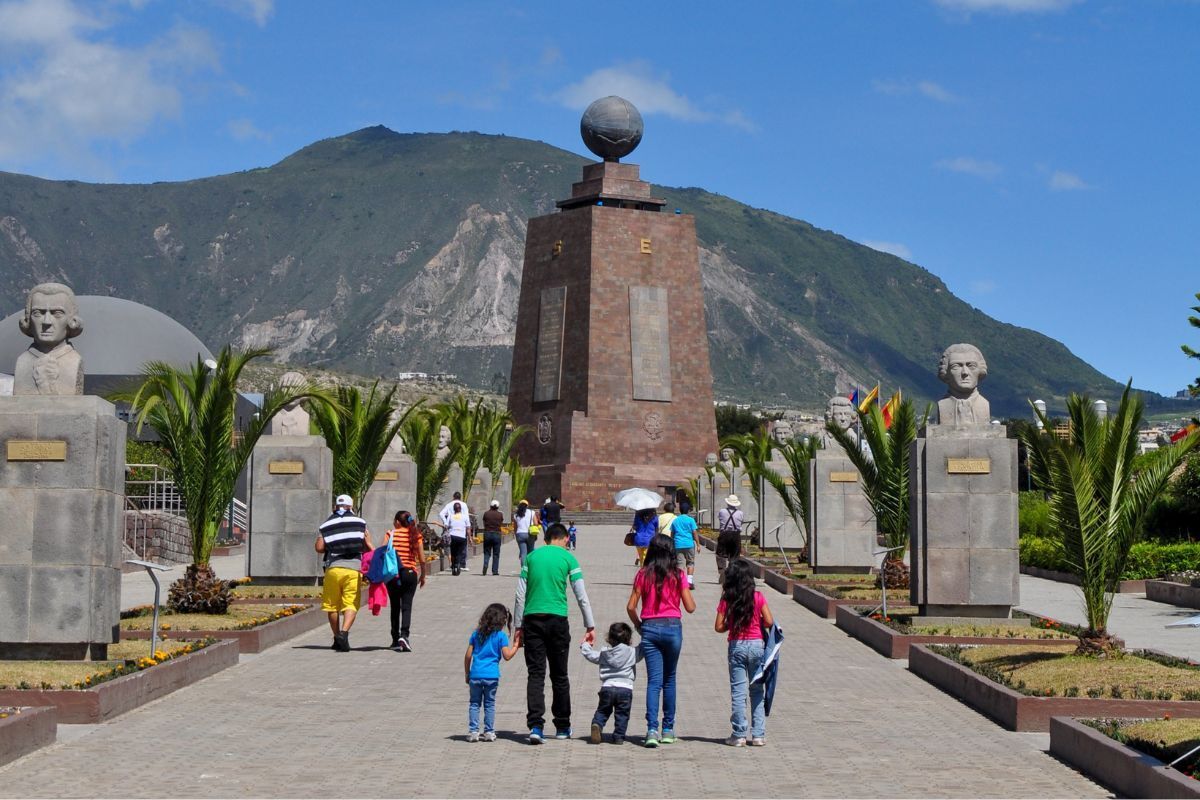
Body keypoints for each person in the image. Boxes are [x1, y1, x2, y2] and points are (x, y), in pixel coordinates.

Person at [514, 522, 596, 744]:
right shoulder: (569, 559)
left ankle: (536, 727)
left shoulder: (531, 558)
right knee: (559, 675)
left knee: (536, 674)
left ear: (545, 538)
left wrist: (518, 626)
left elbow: (520, 595)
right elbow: (581, 594)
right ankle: (562, 726)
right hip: (558, 621)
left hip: (532, 621)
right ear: (566, 539)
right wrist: (590, 625)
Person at [626, 533, 696, 748]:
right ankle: (668, 729)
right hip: (673, 628)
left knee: (653, 682)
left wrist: (639, 625)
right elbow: (690, 607)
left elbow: (630, 606)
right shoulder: (678, 574)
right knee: (670, 679)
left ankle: (651, 730)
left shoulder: (642, 574)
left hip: (649, 629)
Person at [715, 559, 775, 747]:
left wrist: (731, 625)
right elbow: (769, 621)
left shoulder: (727, 599)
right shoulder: (758, 597)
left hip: (737, 646)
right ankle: (758, 735)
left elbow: (718, 626)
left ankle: (739, 734)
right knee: (757, 690)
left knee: (738, 692)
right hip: (757, 645)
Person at [315, 494, 373, 652]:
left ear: (335, 506)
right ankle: (344, 633)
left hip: (333, 568)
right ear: (351, 506)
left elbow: (319, 548)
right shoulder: (360, 523)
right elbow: (367, 546)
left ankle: (336, 637)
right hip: (354, 568)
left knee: (332, 606)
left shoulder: (326, 524)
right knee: (350, 603)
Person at [464, 603, 521, 742]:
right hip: (492, 676)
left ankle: (473, 731)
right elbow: (507, 656)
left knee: (474, 703)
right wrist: (516, 646)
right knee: (489, 703)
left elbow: (468, 656)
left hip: (476, 675)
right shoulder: (500, 636)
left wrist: (467, 673)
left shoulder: (476, 634)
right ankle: (489, 731)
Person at [581, 622, 642, 745]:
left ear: (609, 638)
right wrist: (644, 633)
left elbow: (590, 655)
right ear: (629, 639)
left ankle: (597, 724)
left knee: (603, 710)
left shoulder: (605, 654)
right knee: (622, 714)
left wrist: (586, 644)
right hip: (625, 689)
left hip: (607, 688)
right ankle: (619, 736)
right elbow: (644, 648)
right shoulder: (632, 652)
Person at [386, 510, 425, 652]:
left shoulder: (391, 534)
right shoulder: (416, 535)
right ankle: (404, 636)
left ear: (397, 522)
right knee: (407, 606)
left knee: (395, 606)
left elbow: (383, 552)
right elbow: (422, 559)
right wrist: (423, 575)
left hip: (393, 575)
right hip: (410, 573)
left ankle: (395, 638)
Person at [716, 495, 744, 585]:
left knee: (721, 555)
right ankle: (732, 574)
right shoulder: (740, 513)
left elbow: (720, 519)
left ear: (728, 502)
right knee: (735, 556)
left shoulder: (722, 511)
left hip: (724, 534)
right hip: (736, 535)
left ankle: (722, 572)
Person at [671, 509, 699, 590]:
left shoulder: (675, 520)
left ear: (680, 510)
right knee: (690, 563)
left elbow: (672, 533)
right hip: (689, 544)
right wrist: (698, 544)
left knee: (680, 564)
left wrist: (672, 543)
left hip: (678, 544)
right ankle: (689, 582)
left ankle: (680, 582)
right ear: (688, 511)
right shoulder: (691, 520)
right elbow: (694, 532)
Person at [444, 498, 472, 576]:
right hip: (462, 537)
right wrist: (469, 538)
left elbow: (446, 526)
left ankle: (453, 566)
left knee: (453, 552)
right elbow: (468, 528)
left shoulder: (450, 516)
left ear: (454, 509)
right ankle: (458, 564)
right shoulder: (465, 517)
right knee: (459, 553)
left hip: (452, 536)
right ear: (460, 509)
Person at [481, 500, 505, 575]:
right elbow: (501, 523)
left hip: (487, 533)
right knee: (496, 553)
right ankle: (495, 571)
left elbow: (484, 523)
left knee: (487, 552)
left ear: (490, 506)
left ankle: (485, 564)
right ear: (498, 506)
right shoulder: (500, 514)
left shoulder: (486, 513)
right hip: (497, 534)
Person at [514, 500, 537, 565]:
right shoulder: (532, 512)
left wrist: (516, 535)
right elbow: (536, 523)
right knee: (531, 552)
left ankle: (523, 570)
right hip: (530, 534)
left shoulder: (516, 515)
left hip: (520, 534)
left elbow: (515, 527)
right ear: (527, 506)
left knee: (523, 553)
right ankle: (530, 568)